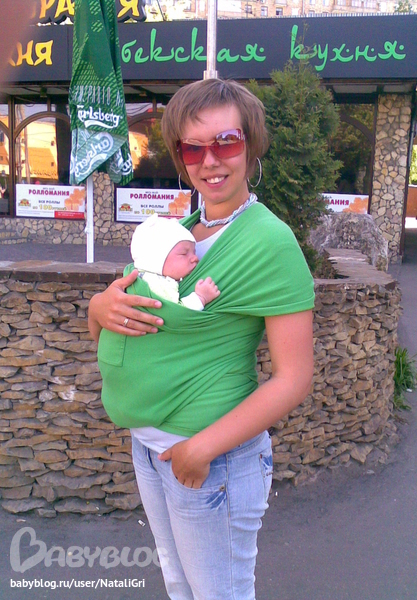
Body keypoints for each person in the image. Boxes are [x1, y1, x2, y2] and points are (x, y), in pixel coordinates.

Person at [89, 78, 314, 600]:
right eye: (193, 148)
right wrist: (97, 308)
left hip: (213, 461)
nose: (210, 160)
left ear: (251, 145)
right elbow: (119, 329)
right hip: (151, 451)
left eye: (226, 142)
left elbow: (295, 376)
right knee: (180, 588)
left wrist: (202, 448)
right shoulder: (182, 234)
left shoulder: (269, 242)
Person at [130, 212, 220, 310]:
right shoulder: (156, 286)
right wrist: (201, 298)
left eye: (194, 252)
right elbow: (173, 313)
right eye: (184, 253)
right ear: (156, 261)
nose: (195, 258)